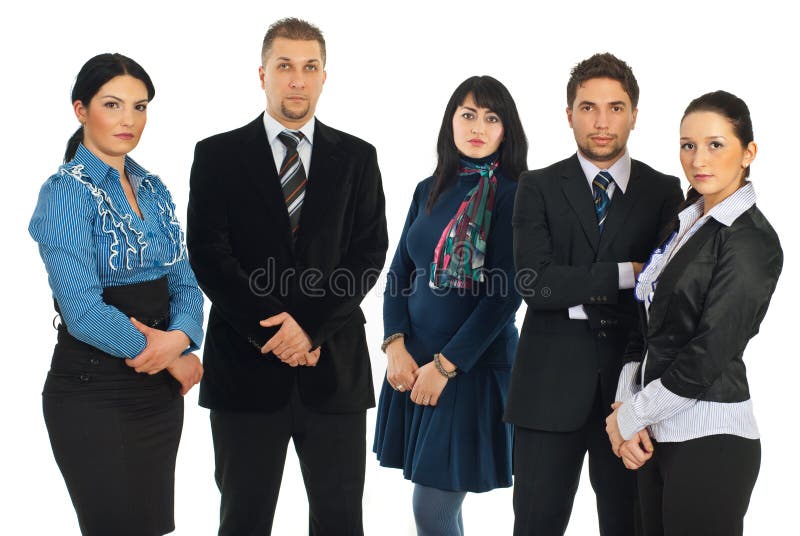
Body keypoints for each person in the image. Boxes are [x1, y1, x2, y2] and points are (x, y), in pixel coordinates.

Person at [186, 17, 388, 535]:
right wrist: (274, 333)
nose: (297, 79)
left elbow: (367, 254)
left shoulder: (358, 158)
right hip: (246, 374)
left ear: (324, 76)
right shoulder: (217, 155)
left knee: (341, 523)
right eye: (284, 66)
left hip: (334, 373)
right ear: (262, 74)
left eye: (309, 67)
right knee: (243, 521)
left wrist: (311, 329)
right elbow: (209, 255)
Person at [505, 52, 684, 535]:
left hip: (630, 395)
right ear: (569, 114)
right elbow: (533, 283)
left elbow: (664, 294)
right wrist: (627, 272)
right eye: (588, 108)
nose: (602, 122)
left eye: (615, 107)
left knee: (630, 525)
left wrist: (572, 282)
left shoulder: (665, 191)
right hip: (546, 392)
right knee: (536, 526)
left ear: (634, 114)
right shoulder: (537, 186)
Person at [28, 53, 204, 536]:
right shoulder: (65, 192)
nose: (129, 120)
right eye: (113, 104)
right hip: (93, 394)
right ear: (81, 110)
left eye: (140, 106)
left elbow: (185, 282)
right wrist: (170, 357)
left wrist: (183, 337)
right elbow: (82, 312)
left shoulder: (154, 187)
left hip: (159, 401)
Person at [605, 90, 783, 536]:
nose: (698, 158)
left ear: (749, 153)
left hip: (711, 443)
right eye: (688, 145)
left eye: (715, 144)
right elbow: (642, 326)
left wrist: (629, 418)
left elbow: (708, 354)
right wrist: (627, 405)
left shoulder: (751, 240)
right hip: (655, 438)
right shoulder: (685, 221)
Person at [374, 75, 527, 535]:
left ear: (506, 130)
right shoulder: (430, 188)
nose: (478, 126)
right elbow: (400, 271)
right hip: (413, 363)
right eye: (468, 114)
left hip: (469, 369)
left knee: (433, 507)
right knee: (437, 503)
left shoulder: (516, 194)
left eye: (491, 117)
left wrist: (445, 367)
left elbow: (505, 295)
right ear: (451, 123)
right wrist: (395, 345)